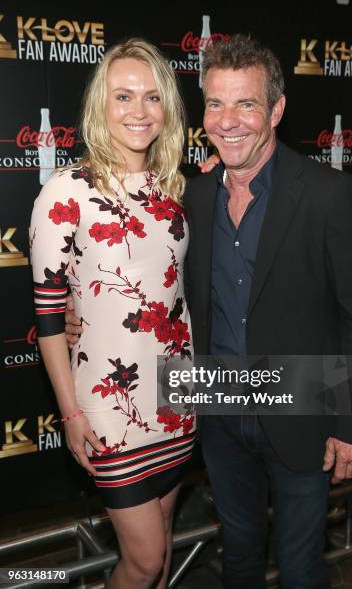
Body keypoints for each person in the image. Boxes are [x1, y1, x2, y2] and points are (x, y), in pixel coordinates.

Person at [66, 35, 352, 588]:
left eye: (246, 104)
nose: (228, 120)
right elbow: (147, 273)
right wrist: (81, 308)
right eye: (215, 103)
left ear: (276, 110)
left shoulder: (330, 194)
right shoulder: (193, 196)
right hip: (217, 411)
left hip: (302, 408)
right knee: (235, 557)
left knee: (302, 568)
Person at [30, 38, 196, 589]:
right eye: (123, 96)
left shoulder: (174, 190)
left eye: (152, 98)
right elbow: (51, 314)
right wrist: (70, 412)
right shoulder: (66, 191)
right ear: (101, 103)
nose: (138, 111)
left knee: (164, 543)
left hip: (177, 393)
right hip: (108, 402)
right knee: (144, 558)